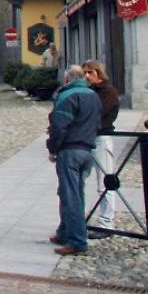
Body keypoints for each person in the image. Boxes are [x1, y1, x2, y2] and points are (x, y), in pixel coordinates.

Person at [47, 64, 101, 256]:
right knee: (74, 193)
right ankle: (65, 231)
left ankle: (77, 240)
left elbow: (59, 126)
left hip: (70, 149)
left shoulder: (67, 95)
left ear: (67, 79)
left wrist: (52, 148)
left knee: (70, 196)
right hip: (88, 149)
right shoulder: (93, 95)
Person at [83, 60, 119, 238]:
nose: (87, 76)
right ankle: (79, 220)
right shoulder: (90, 91)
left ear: (98, 72)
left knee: (105, 181)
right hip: (87, 137)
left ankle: (107, 223)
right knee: (80, 178)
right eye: (85, 73)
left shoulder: (108, 91)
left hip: (101, 137)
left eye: (90, 72)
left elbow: (98, 112)